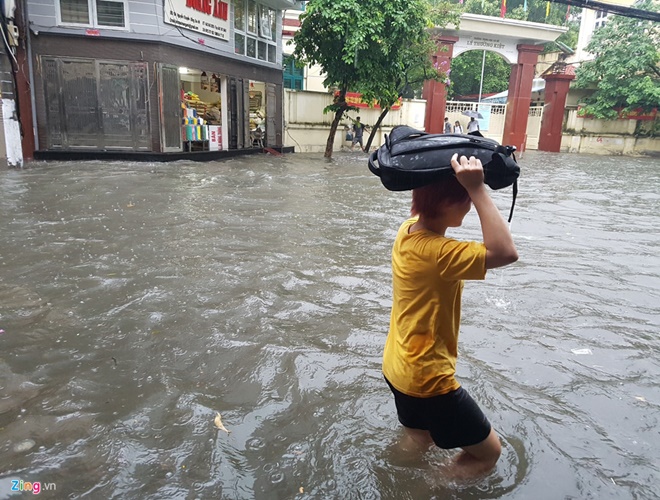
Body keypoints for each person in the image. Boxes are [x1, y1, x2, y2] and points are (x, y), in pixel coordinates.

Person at [382, 153, 518, 480]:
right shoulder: (441, 255)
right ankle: (425, 491)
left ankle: (391, 476)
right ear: (445, 203)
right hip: (430, 380)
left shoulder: (407, 232)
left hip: (398, 366)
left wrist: (464, 186)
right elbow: (505, 252)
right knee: (488, 454)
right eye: (465, 200)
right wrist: (478, 189)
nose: (470, 206)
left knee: (420, 434)